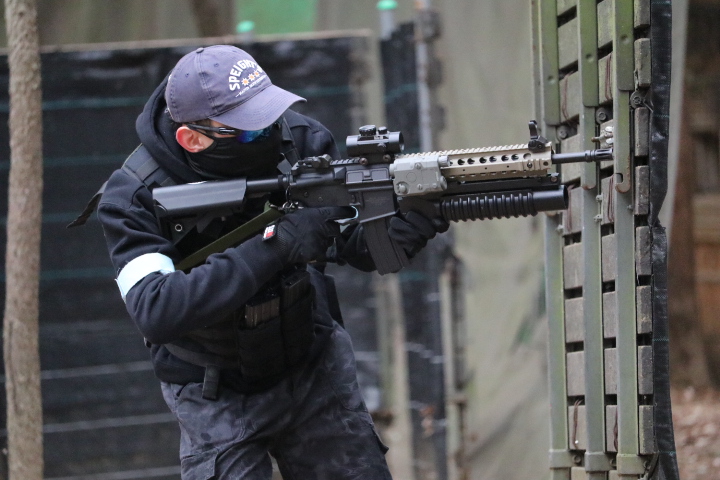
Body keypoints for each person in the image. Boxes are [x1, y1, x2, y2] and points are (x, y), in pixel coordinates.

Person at [95, 45, 446, 479]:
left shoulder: (300, 139)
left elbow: (351, 244)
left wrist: (406, 224)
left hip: (310, 362)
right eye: (248, 130)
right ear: (193, 139)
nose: (268, 134)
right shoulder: (134, 196)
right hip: (214, 390)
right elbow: (157, 309)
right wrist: (276, 244)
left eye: (269, 117)